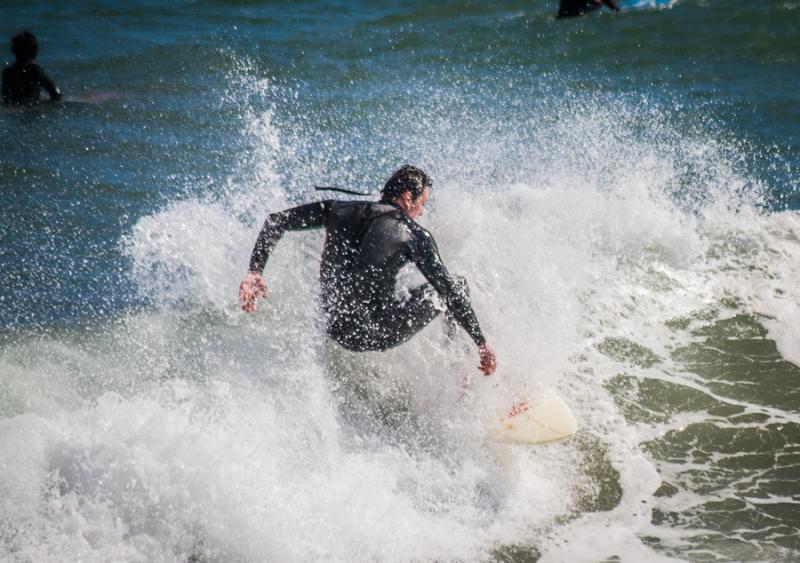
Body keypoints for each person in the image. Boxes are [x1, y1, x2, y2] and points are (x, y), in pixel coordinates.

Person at [239, 165, 497, 376]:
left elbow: (276, 221)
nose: (422, 211)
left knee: (402, 290)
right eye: (422, 203)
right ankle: (462, 372)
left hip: (335, 328)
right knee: (457, 285)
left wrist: (255, 271)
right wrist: (481, 342)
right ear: (408, 198)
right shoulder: (414, 235)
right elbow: (449, 291)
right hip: (376, 332)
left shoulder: (337, 210)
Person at [2, 30, 61, 106]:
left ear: (13, 51)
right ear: (35, 51)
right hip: (32, 110)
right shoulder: (35, 71)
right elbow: (56, 95)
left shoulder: (8, 72)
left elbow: (5, 98)